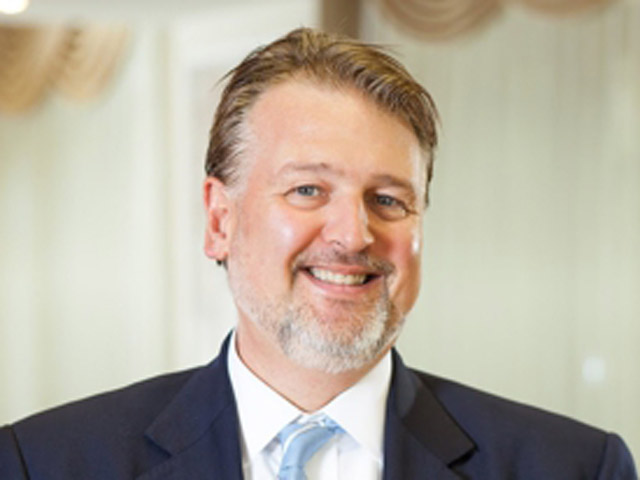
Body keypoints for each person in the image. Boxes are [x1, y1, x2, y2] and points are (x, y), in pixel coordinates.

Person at [0, 27, 636, 480]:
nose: (353, 235)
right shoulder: (44, 463)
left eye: (388, 199)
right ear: (220, 220)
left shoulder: (577, 468)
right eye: (308, 190)